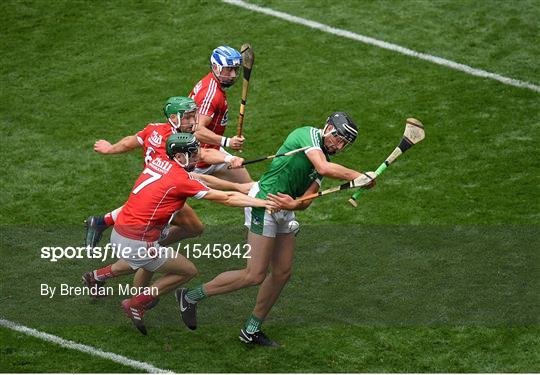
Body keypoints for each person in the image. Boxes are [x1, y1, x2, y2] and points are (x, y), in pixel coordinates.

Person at [177, 112, 376, 346]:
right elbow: (321, 167)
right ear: (328, 128)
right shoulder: (307, 135)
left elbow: (308, 198)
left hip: (284, 208)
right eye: (338, 138)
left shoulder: (327, 159)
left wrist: (294, 204)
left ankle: (251, 329)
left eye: (345, 143)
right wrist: (358, 176)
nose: (339, 146)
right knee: (254, 275)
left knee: (282, 273)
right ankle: (190, 297)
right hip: (264, 203)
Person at [87, 132, 277, 335]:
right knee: (187, 271)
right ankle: (137, 303)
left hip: (121, 232)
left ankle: (98, 276)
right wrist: (263, 202)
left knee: (141, 262)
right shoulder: (180, 180)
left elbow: (202, 179)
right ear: (179, 156)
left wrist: (241, 187)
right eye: (193, 153)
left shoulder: (161, 161)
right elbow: (227, 198)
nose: (198, 157)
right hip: (138, 241)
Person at [84, 97, 250, 249]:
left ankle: (104, 224)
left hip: (153, 187)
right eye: (187, 117)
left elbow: (129, 143)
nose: (193, 122)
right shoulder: (176, 144)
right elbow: (203, 158)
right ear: (173, 118)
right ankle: (110, 265)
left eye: (193, 116)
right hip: (165, 194)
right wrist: (234, 175)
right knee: (154, 244)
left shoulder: (154, 129)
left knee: (194, 228)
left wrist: (110, 149)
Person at [188, 46, 252, 183]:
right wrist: (228, 142)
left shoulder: (213, 85)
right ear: (216, 67)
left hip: (213, 152)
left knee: (252, 190)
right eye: (229, 69)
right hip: (195, 162)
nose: (233, 75)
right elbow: (196, 130)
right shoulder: (210, 95)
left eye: (235, 70)